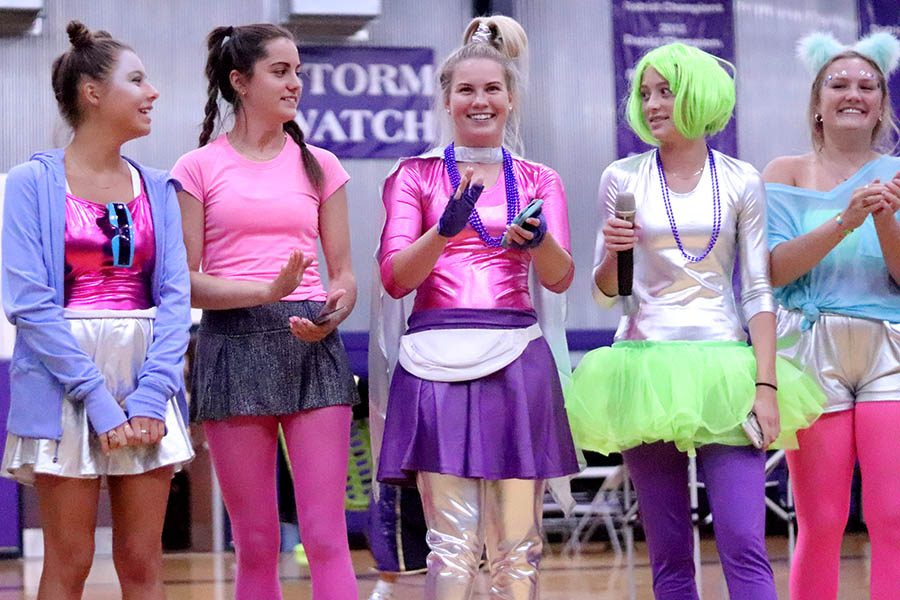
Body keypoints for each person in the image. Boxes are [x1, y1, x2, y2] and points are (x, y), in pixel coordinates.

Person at [565, 42, 825, 599]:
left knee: (743, 540)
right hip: (641, 366)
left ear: (700, 96)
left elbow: (757, 290)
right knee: (669, 551)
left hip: (724, 368)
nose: (653, 104)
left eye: (666, 91)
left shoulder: (741, 180)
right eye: (645, 93)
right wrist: (613, 252)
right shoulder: (621, 177)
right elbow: (609, 292)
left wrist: (766, 384)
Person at [374, 15, 579, 600]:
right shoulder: (414, 176)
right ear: (446, 100)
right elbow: (394, 280)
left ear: (511, 99)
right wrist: (443, 231)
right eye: (466, 89)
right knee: (453, 543)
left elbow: (561, 280)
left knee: (519, 548)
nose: (480, 100)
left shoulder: (540, 179)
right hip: (434, 362)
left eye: (492, 89)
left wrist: (538, 241)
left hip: (517, 359)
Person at [0, 20, 193, 600]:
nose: (152, 92)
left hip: (146, 381)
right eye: (137, 80)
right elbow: (29, 303)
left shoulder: (159, 187)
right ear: (92, 93)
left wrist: (153, 393)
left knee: (142, 562)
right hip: (63, 381)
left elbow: (176, 299)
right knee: (70, 561)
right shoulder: (32, 182)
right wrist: (99, 402)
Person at [171, 24, 359, 600]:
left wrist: (334, 308)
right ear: (239, 82)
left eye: (298, 71)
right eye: (280, 71)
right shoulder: (198, 167)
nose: (295, 83)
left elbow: (345, 274)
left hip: (311, 346)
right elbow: (185, 284)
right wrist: (265, 290)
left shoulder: (320, 164)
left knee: (326, 536)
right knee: (256, 543)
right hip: (232, 347)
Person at [762, 31, 900, 600]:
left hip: (888, 346)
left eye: (867, 85)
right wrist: (845, 219)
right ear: (817, 104)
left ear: (882, 106)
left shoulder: (895, 171)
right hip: (809, 346)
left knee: (893, 516)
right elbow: (773, 271)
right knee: (821, 520)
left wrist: (885, 219)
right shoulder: (784, 171)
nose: (853, 93)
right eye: (838, 84)